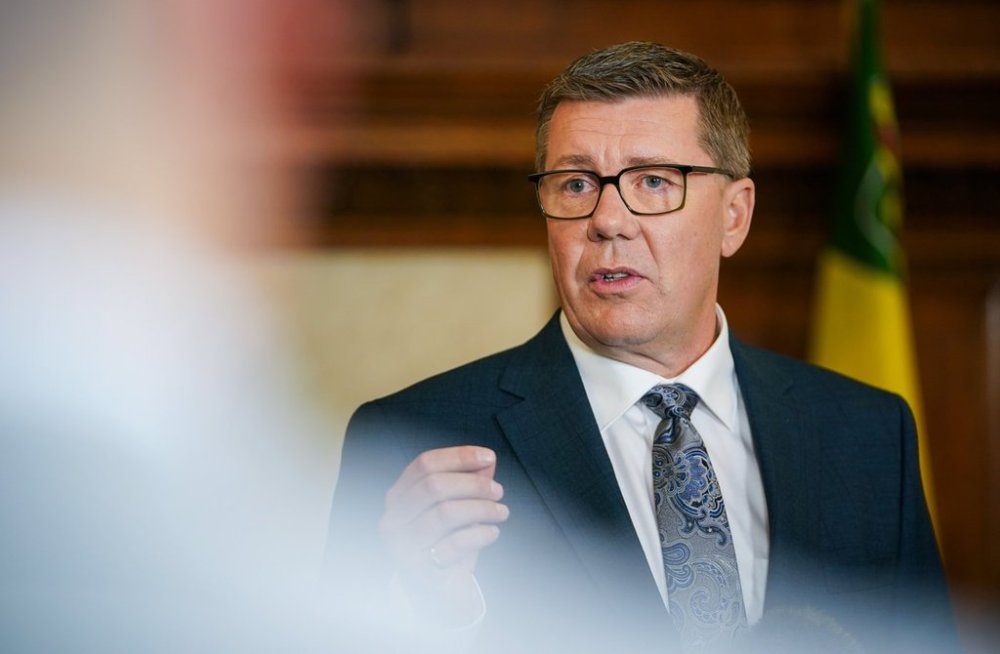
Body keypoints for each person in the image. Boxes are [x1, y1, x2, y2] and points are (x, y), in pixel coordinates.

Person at [326, 42, 957, 653]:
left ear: (734, 216)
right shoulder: (414, 438)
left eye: (654, 181)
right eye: (576, 185)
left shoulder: (867, 433)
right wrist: (435, 615)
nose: (607, 220)